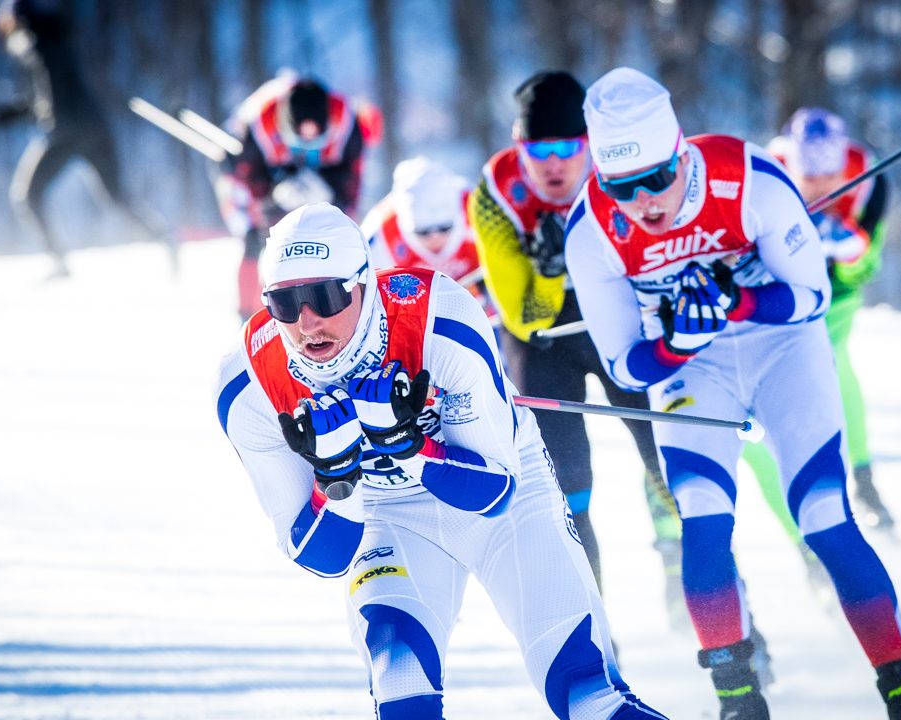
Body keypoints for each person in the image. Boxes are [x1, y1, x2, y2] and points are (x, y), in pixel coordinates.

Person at [564, 67, 901, 720]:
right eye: (624, 187)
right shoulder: (593, 231)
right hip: (694, 370)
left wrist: (739, 297)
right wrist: (679, 342)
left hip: (782, 348)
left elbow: (814, 296)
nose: (646, 202)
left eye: (658, 177)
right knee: (704, 524)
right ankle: (739, 700)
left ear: (682, 152)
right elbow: (627, 368)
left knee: (826, 517)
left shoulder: (750, 177)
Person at [215, 202, 669, 720]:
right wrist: (338, 482)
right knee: (401, 684)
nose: (307, 321)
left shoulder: (438, 318)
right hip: (388, 520)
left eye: (324, 295)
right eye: (283, 303)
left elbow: (494, 492)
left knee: (587, 695)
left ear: (364, 284)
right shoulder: (247, 384)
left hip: (509, 502)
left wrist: (412, 447)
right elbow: (321, 556)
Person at [467, 70, 684, 621]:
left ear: (590, 143)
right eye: (537, 149)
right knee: (568, 489)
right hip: (541, 344)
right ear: (519, 147)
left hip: (614, 320)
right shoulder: (495, 192)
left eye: (568, 147)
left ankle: (692, 577)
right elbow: (522, 316)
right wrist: (547, 269)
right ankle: (596, 631)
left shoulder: (621, 173)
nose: (554, 163)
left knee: (667, 456)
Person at [763, 107, 894, 531]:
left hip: (836, 292)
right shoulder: (768, 174)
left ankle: (863, 479)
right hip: (784, 287)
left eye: (829, 177)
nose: (821, 187)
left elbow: (865, 270)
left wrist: (849, 247)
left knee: (832, 358)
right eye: (810, 177)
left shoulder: (871, 183)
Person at [0, 0, 175, 277]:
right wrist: (14, 113)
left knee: (26, 195)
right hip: (94, 126)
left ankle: (58, 262)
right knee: (115, 196)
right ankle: (163, 236)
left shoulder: (34, 40)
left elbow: (45, 87)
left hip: (63, 131)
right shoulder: (53, 40)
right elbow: (45, 94)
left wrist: (13, 31)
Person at [216, 73, 380, 319]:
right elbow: (249, 176)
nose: (309, 143)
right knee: (256, 238)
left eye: (317, 138)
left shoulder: (348, 123)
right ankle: (249, 314)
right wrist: (271, 195)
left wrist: (337, 198)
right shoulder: (258, 124)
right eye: (301, 139)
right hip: (273, 179)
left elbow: (352, 176)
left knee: (333, 236)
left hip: (325, 178)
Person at [360, 156, 492, 314]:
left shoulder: (478, 213)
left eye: (445, 228)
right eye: (423, 232)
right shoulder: (381, 233)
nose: (435, 238)